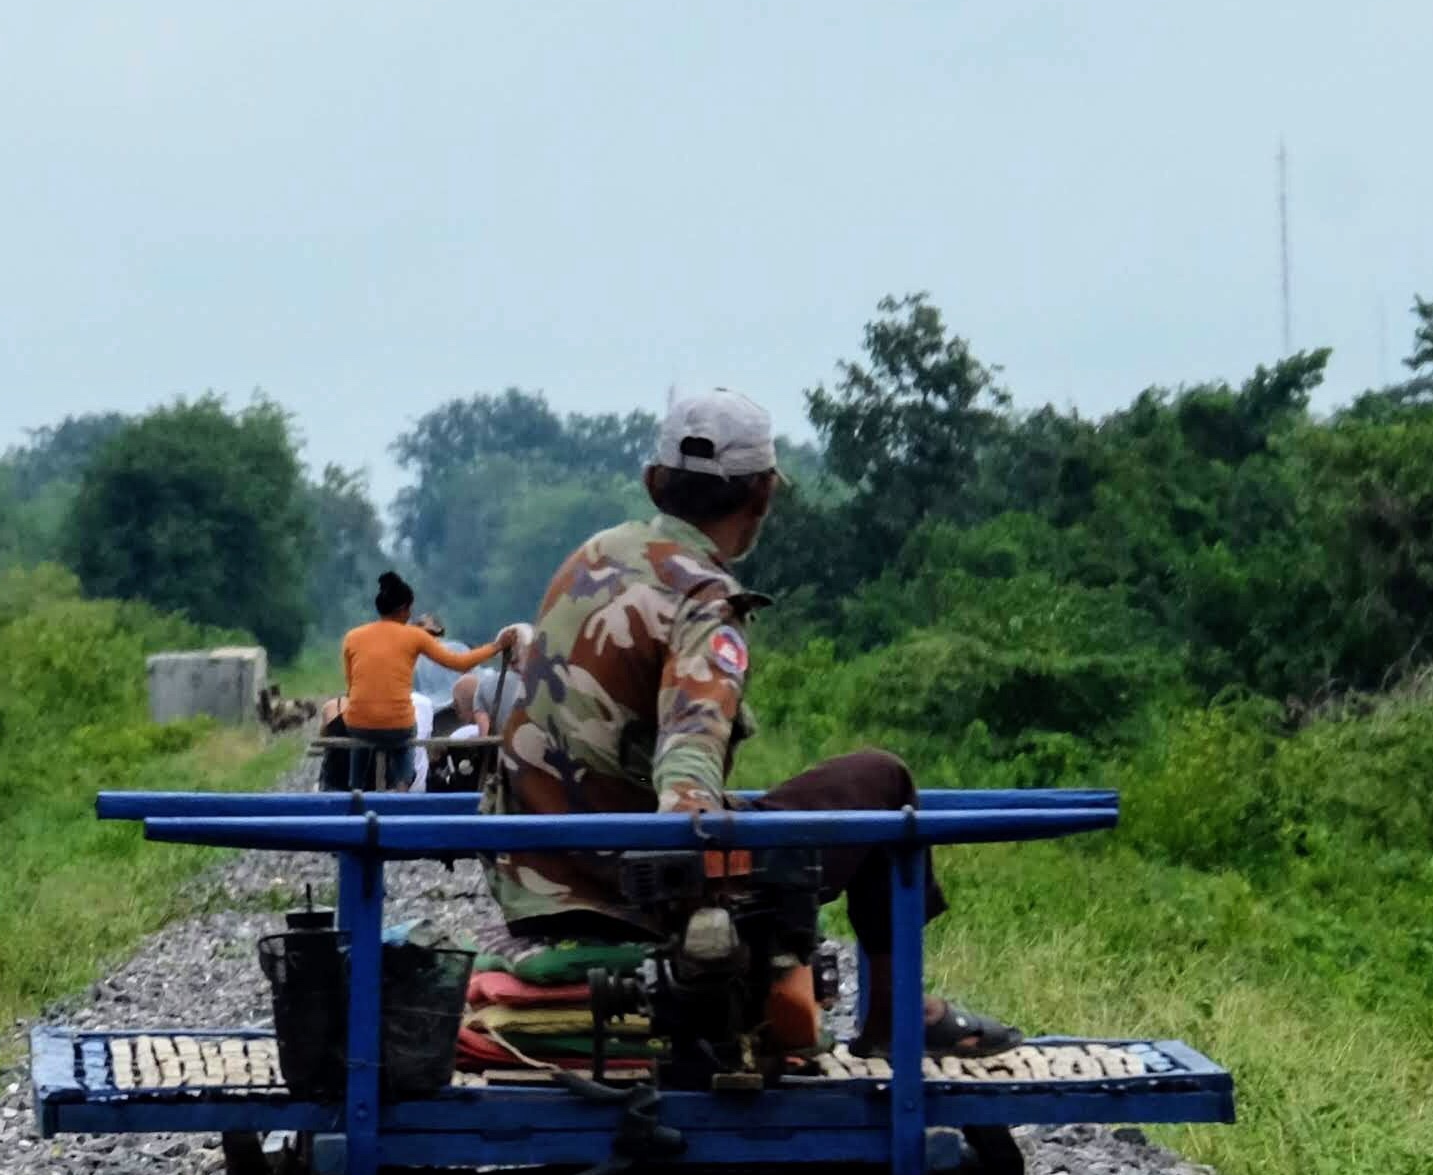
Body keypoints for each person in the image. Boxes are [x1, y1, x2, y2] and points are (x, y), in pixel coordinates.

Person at [487, 386, 1017, 1057]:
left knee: (769, 811)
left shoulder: (590, 556)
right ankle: (896, 1015)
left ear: (654, 483)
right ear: (763, 495)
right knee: (883, 780)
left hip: (544, 872)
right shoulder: (704, 601)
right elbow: (689, 762)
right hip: (631, 882)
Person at [326, 572, 514, 794]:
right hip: (396, 727)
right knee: (404, 742)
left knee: (359, 730)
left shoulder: (352, 636)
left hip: (359, 724)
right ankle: (403, 785)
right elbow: (460, 663)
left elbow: (351, 685)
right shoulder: (414, 636)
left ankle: (355, 786)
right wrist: (496, 646)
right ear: (404, 609)